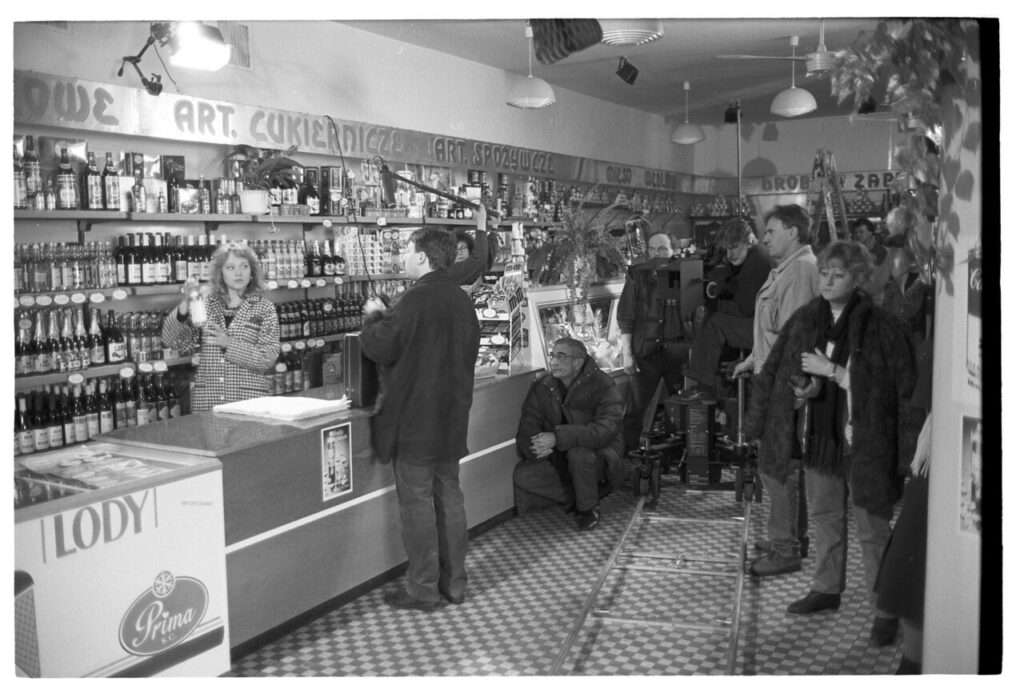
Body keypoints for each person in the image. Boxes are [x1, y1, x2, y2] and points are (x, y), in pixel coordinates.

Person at [745, 240, 921, 619]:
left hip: (865, 442)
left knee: (872, 528)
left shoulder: (881, 326)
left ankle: (884, 607)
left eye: (837, 275)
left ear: (857, 280)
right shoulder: (809, 319)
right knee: (825, 518)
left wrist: (836, 373)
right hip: (820, 439)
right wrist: (806, 389)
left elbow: (893, 388)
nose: (826, 281)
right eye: (824, 273)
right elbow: (785, 369)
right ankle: (825, 588)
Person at [359, 227, 480, 612]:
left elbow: (381, 347)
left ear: (424, 258)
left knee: (417, 505)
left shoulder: (412, 300)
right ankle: (455, 583)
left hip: (414, 422)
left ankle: (423, 588)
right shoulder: (462, 302)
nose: (404, 259)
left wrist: (374, 317)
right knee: (450, 498)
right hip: (452, 417)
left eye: (408, 252)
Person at [733, 204, 820, 577]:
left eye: (771, 230)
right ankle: (790, 539)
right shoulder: (786, 270)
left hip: (783, 386)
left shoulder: (800, 271)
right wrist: (752, 359)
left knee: (775, 468)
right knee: (783, 466)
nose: (764, 237)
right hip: (776, 378)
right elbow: (773, 331)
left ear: (794, 233)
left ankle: (784, 549)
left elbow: (794, 337)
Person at [513, 337, 625, 531]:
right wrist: (535, 446)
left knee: (578, 454)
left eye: (561, 357)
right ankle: (588, 492)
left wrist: (557, 438)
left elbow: (604, 432)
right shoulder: (543, 386)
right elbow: (528, 424)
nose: (554, 362)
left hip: (599, 454)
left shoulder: (603, 384)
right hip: (559, 456)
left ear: (578, 362)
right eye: (553, 355)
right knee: (524, 476)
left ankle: (588, 508)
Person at [162, 242, 280, 412]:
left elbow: (267, 358)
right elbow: (172, 341)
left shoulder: (264, 307)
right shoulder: (205, 306)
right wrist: (186, 301)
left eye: (244, 266)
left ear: (252, 271)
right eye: (230, 268)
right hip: (209, 402)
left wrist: (228, 343)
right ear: (220, 273)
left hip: (249, 403)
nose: (238, 273)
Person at [680, 217, 772, 399]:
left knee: (713, 322)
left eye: (735, 247)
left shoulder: (758, 261)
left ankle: (702, 386)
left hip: (764, 330)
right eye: (728, 249)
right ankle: (714, 385)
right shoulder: (749, 257)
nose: (730, 255)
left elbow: (743, 308)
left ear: (749, 241)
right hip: (759, 324)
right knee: (712, 319)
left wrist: (712, 302)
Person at [616, 232, 686, 449]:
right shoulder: (636, 276)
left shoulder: (683, 273)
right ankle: (628, 461)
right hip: (645, 353)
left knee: (685, 409)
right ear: (647, 252)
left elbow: (695, 317)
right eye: (655, 249)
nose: (659, 253)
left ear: (672, 251)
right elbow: (625, 318)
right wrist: (627, 354)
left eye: (664, 248)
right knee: (635, 412)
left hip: (677, 353)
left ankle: (681, 456)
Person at [448, 204, 492, 291]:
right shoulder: (452, 272)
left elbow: (486, 259)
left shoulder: (472, 271)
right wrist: (481, 221)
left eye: (463, 248)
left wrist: (494, 228)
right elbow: (479, 258)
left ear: (471, 250)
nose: (459, 252)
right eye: (455, 249)